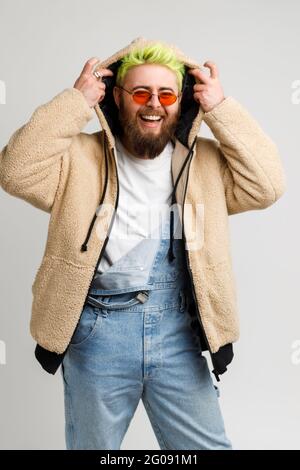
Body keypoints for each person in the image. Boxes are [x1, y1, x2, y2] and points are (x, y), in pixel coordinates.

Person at [0, 37, 286, 450]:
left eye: (166, 93)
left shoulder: (202, 161)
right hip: (98, 331)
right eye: (140, 92)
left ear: (180, 100)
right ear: (117, 98)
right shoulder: (78, 158)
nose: (154, 103)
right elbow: (14, 170)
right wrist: (75, 102)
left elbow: (269, 185)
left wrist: (222, 109)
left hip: (179, 331)